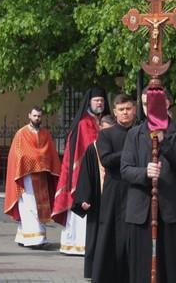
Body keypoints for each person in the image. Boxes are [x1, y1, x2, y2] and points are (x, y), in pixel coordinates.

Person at [121, 82, 176, 283]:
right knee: (144, 270)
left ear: (166, 103)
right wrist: (144, 172)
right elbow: (125, 169)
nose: (149, 108)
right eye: (145, 104)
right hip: (142, 212)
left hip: (173, 210)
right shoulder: (134, 134)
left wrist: (164, 142)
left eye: (154, 103)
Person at [52, 87, 109, 255]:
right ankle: (76, 244)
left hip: (103, 172)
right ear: (89, 102)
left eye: (102, 100)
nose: (99, 103)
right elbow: (77, 153)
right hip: (84, 172)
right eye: (96, 100)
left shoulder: (105, 121)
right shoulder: (83, 124)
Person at [91, 94, 136, 283]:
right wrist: (129, 152)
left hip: (135, 188)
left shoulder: (140, 132)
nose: (125, 113)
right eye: (121, 109)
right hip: (114, 189)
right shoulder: (106, 134)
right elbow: (106, 160)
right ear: (115, 112)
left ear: (134, 110)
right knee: (111, 232)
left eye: (128, 109)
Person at [4, 106, 61, 249]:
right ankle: (35, 239)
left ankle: (24, 236)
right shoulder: (21, 133)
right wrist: (35, 159)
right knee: (30, 205)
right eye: (34, 116)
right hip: (26, 176)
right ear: (29, 115)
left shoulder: (45, 134)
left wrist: (41, 159)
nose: (37, 118)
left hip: (42, 175)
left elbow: (50, 153)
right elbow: (18, 154)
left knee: (40, 206)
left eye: (39, 116)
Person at [72, 114, 115, 278]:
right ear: (100, 129)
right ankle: (94, 271)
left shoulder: (122, 146)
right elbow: (86, 175)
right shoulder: (93, 148)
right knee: (96, 235)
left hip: (116, 199)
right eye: (105, 130)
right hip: (98, 199)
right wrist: (84, 197)